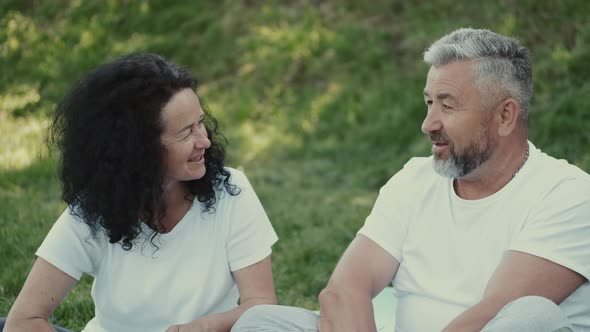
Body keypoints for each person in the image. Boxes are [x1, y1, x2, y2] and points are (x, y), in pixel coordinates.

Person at [230, 28, 590, 332]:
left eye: (447, 106)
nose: (428, 123)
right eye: (429, 103)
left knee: (532, 316)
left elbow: (491, 315)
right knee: (262, 322)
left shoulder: (568, 194)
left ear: (505, 116)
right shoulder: (415, 179)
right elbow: (345, 290)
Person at [3, 53, 278, 332]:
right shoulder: (92, 212)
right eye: (186, 133)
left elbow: (262, 306)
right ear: (138, 150)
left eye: (200, 123)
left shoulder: (231, 191)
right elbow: (22, 321)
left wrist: (204, 327)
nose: (205, 140)